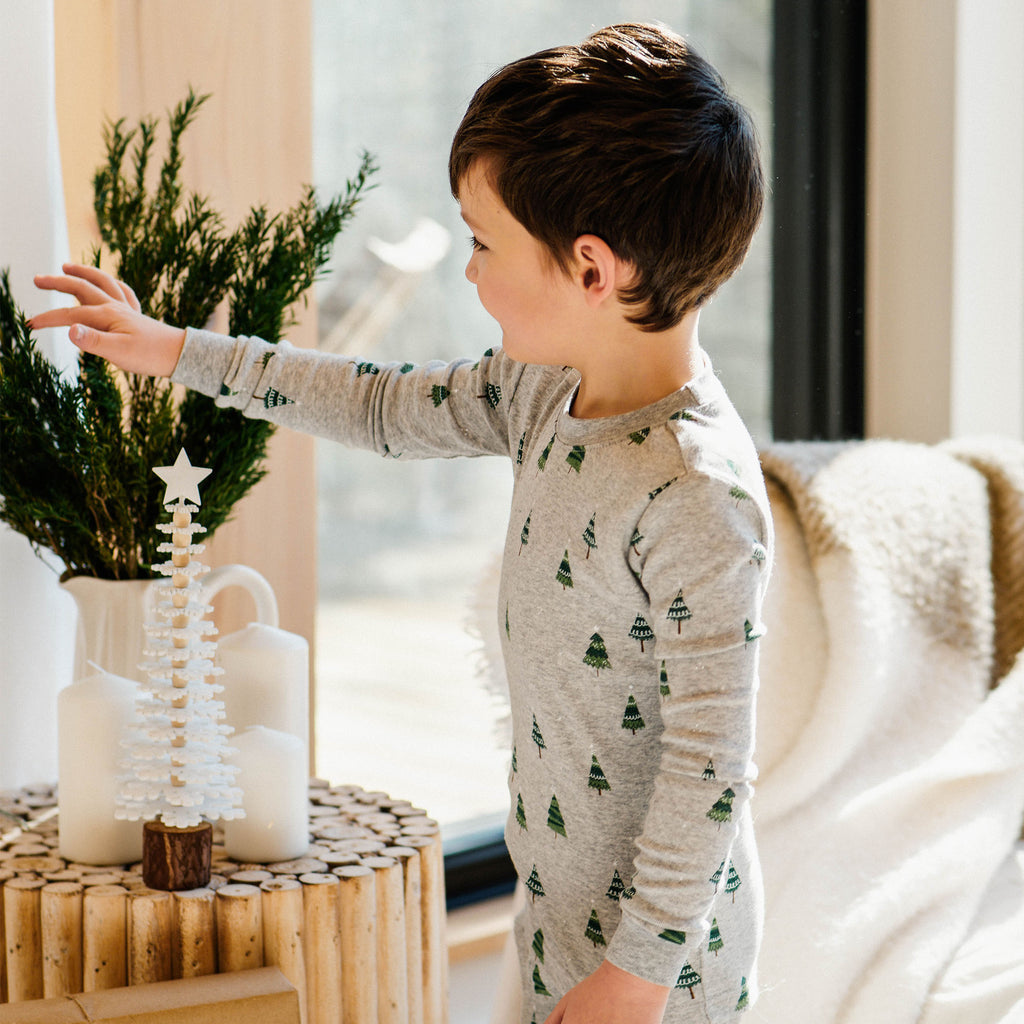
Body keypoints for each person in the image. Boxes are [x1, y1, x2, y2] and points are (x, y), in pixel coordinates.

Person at [32, 22, 772, 1023]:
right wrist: (176, 351)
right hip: (560, 914)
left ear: (592, 270)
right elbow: (378, 403)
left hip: (666, 972)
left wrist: (636, 977)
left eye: (482, 242)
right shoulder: (541, 391)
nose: (468, 271)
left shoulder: (695, 493)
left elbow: (709, 770)